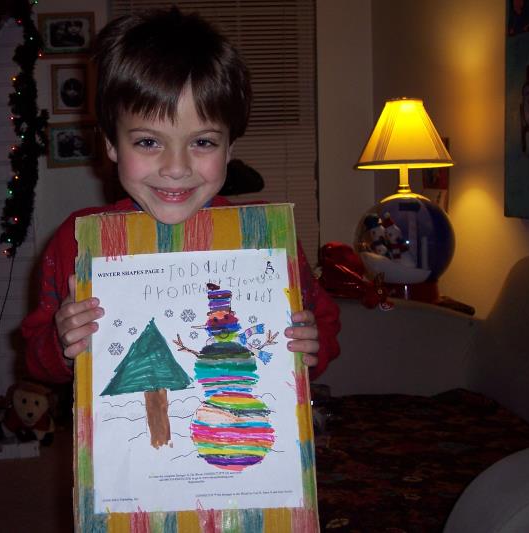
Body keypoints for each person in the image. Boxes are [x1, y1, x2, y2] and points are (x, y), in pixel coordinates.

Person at [22, 7, 340, 384]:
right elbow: (34, 358)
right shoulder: (76, 242)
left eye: (202, 142)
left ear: (230, 148)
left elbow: (324, 325)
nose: (176, 168)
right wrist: (61, 342)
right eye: (148, 142)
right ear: (111, 144)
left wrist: (311, 347)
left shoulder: (265, 239)